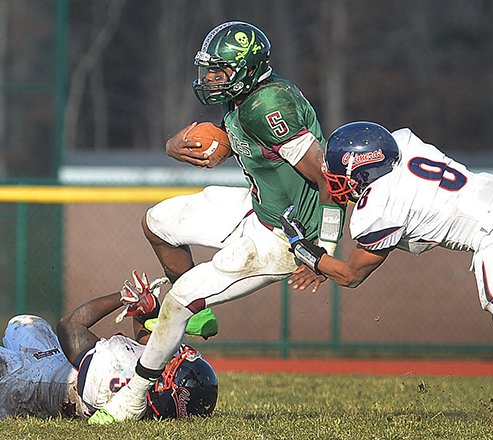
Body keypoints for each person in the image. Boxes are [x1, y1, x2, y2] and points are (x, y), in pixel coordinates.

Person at [88, 21, 343, 425]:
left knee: (180, 299)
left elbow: (327, 176)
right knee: (158, 221)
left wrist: (324, 248)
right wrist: (176, 144)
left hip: (284, 236)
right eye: (207, 69)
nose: (208, 79)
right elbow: (243, 140)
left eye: (218, 70)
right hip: (257, 207)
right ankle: (199, 313)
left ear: (247, 70)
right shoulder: (245, 98)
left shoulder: (267, 105)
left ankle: (133, 398)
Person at [279, 121, 493, 429]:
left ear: (362, 171)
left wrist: (303, 249)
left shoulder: (380, 207)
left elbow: (350, 274)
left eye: (339, 174)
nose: (334, 181)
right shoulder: (403, 144)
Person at [0, 271, 218, 420]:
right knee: (24, 322)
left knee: (23, 326)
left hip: (27, 383)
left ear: (165, 388)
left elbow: (69, 327)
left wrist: (124, 298)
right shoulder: (147, 387)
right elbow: (146, 337)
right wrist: (147, 306)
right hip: (56, 361)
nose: (174, 358)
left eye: (174, 367)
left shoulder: (112, 380)